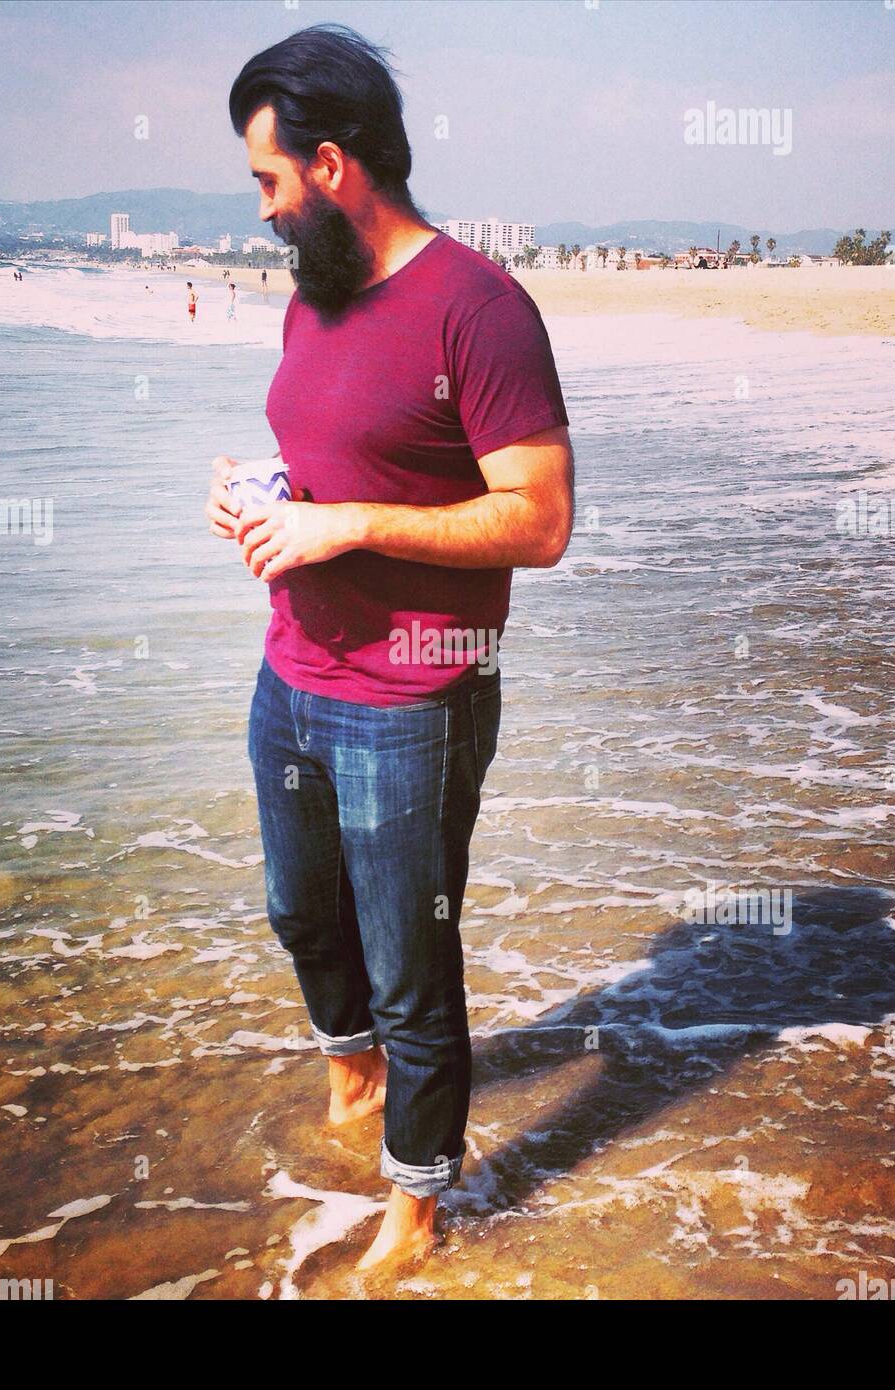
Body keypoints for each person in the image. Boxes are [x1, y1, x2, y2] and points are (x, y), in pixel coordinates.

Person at [207, 22, 573, 1271]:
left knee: (411, 961)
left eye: (266, 180)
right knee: (301, 917)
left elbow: (541, 521)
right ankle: (359, 1082)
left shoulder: (479, 306)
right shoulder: (318, 297)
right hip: (291, 676)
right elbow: (335, 458)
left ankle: (418, 1206)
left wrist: (347, 521)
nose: (260, 209)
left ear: (331, 164)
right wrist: (262, 495)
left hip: (411, 698)